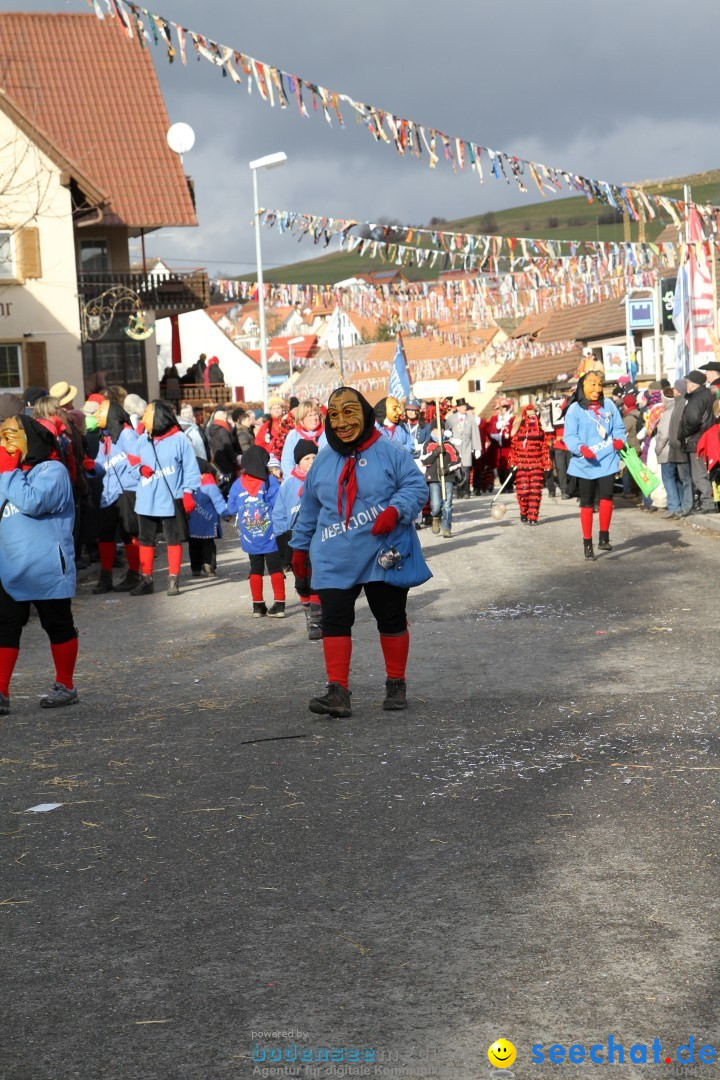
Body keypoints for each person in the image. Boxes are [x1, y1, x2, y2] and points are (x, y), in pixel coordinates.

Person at [291, 387, 430, 718]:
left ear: (366, 414)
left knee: (391, 617)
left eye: (349, 412)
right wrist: (298, 547)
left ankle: (396, 682)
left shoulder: (390, 451)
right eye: (334, 415)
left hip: (383, 552)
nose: (342, 423)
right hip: (335, 554)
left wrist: (396, 510)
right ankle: (337, 691)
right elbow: (309, 507)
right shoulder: (323, 458)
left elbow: (416, 486)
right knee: (334, 619)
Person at [0, 414, 79, 710]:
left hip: (46, 564)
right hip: (10, 564)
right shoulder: (5, 470)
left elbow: (33, 502)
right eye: (2, 436)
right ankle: (1, 692)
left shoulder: (52, 470)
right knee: (5, 626)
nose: (5, 442)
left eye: (11, 435)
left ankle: (66, 684)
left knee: (57, 624)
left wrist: (8, 472)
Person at [126, 400, 202, 596]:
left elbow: (191, 469)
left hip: (171, 498)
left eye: (147, 415)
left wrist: (188, 493)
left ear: (158, 416)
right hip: (146, 499)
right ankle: (146, 580)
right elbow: (132, 466)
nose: (144, 419)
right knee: (145, 540)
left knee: (172, 539)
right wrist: (140, 469)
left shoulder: (179, 439)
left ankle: (173, 580)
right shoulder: (142, 440)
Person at [563, 371, 626, 560]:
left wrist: (619, 440)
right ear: (583, 386)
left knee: (607, 496)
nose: (597, 389)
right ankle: (587, 543)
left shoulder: (609, 405)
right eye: (592, 384)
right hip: (585, 463)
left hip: (607, 459)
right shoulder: (574, 409)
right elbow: (570, 436)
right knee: (587, 502)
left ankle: (604, 537)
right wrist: (580, 448)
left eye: (600, 384)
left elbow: (619, 428)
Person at [227, 446, 285, 618]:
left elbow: (230, 508)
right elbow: (279, 504)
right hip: (270, 534)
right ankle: (280, 604)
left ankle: (258, 606)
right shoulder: (270, 481)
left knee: (255, 568)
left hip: (250, 536)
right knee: (275, 567)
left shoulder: (237, 484)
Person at [272, 439, 322, 640]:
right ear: (298, 462)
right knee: (301, 580)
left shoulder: (322, 479)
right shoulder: (288, 485)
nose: (311, 461)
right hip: (295, 537)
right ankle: (308, 610)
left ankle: (317, 619)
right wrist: (283, 546)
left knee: (317, 577)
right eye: (306, 458)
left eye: (314, 457)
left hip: (319, 535)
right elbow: (279, 515)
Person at [91, 400, 141, 593]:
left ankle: (135, 574)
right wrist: (90, 467)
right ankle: (105, 577)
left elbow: (137, 459)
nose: (96, 415)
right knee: (105, 534)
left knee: (129, 532)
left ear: (111, 414)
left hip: (127, 490)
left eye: (100, 411)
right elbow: (100, 464)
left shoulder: (127, 434)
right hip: (108, 493)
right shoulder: (104, 438)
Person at [678, 370, 716, 514]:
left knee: (699, 474)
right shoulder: (708, 395)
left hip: (697, 440)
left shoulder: (697, 397)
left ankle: (708, 504)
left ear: (693, 384)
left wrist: (684, 433)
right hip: (707, 438)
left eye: (687, 382)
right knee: (705, 472)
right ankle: (707, 502)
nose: (686, 384)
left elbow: (693, 420)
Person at [509, 404, 552, 525]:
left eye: (534, 415)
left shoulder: (540, 432)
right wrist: (512, 465)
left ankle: (533, 516)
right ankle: (524, 511)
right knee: (523, 491)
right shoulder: (518, 432)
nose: (532, 418)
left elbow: (544, 449)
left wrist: (547, 465)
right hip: (522, 465)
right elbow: (514, 449)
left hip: (537, 464)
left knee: (535, 491)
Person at [655, 380, 692, 518]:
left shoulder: (670, 410)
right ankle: (681, 505)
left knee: (670, 479)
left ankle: (674, 507)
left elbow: (663, 434)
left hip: (668, 451)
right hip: (676, 449)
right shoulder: (679, 406)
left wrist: (657, 449)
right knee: (679, 479)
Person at [187, 459, 228, 578]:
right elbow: (218, 501)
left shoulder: (187, 484)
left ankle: (195, 568)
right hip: (208, 522)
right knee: (208, 544)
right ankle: (208, 563)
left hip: (191, 522)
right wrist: (225, 514)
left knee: (193, 545)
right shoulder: (210, 484)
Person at [421, 428, 461, 537]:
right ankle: (436, 517)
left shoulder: (449, 445)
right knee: (436, 504)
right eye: (437, 429)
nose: (440, 431)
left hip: (448, 478)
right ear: (432, 430)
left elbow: (458, 461)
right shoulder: (427, 444)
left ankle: (447, 527)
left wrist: (448, 470)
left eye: (442, 429)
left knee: (447, 505)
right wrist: (435, 453)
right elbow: (423, 461)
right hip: (433, 479)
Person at [280, 400, 327, 477]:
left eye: (316, 414)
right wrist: (295, 481)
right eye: (310, 415)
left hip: (322, 478)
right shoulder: (293, 435)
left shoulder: (326, 434)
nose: (314, 418)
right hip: (299, 480)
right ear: (302, 418)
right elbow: (287, 464)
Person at [445, 398, 482, 499]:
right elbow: (446, 432)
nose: (463, 408)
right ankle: (459, 490)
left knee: (466, 470)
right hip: (455, 448)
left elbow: (475, 433)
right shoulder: (451, 418)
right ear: (457, 408)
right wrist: (451, 439)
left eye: (464, 406)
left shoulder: (470, 418)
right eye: (461, 406)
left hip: (467, 447)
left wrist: (477, 448)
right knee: (457, 470)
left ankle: (466, 491)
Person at [486, 399, 514, 492]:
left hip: (508, 445)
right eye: (498, 409)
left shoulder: (511, 418)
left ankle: (509, 486)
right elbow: (489, 429)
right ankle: (503, 485)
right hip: (497, 446)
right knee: (499, 468)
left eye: (502, 408)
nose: (500, 410)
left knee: (509, 467)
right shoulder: (494, 419)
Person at [207, 409, 239, 479]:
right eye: (225, 418)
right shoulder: (222, 430)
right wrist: (234, 459)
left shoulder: (212, 428)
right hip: (226, 460)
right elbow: (228, 446)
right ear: (222, 418)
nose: (226, 420)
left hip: (217, 459)